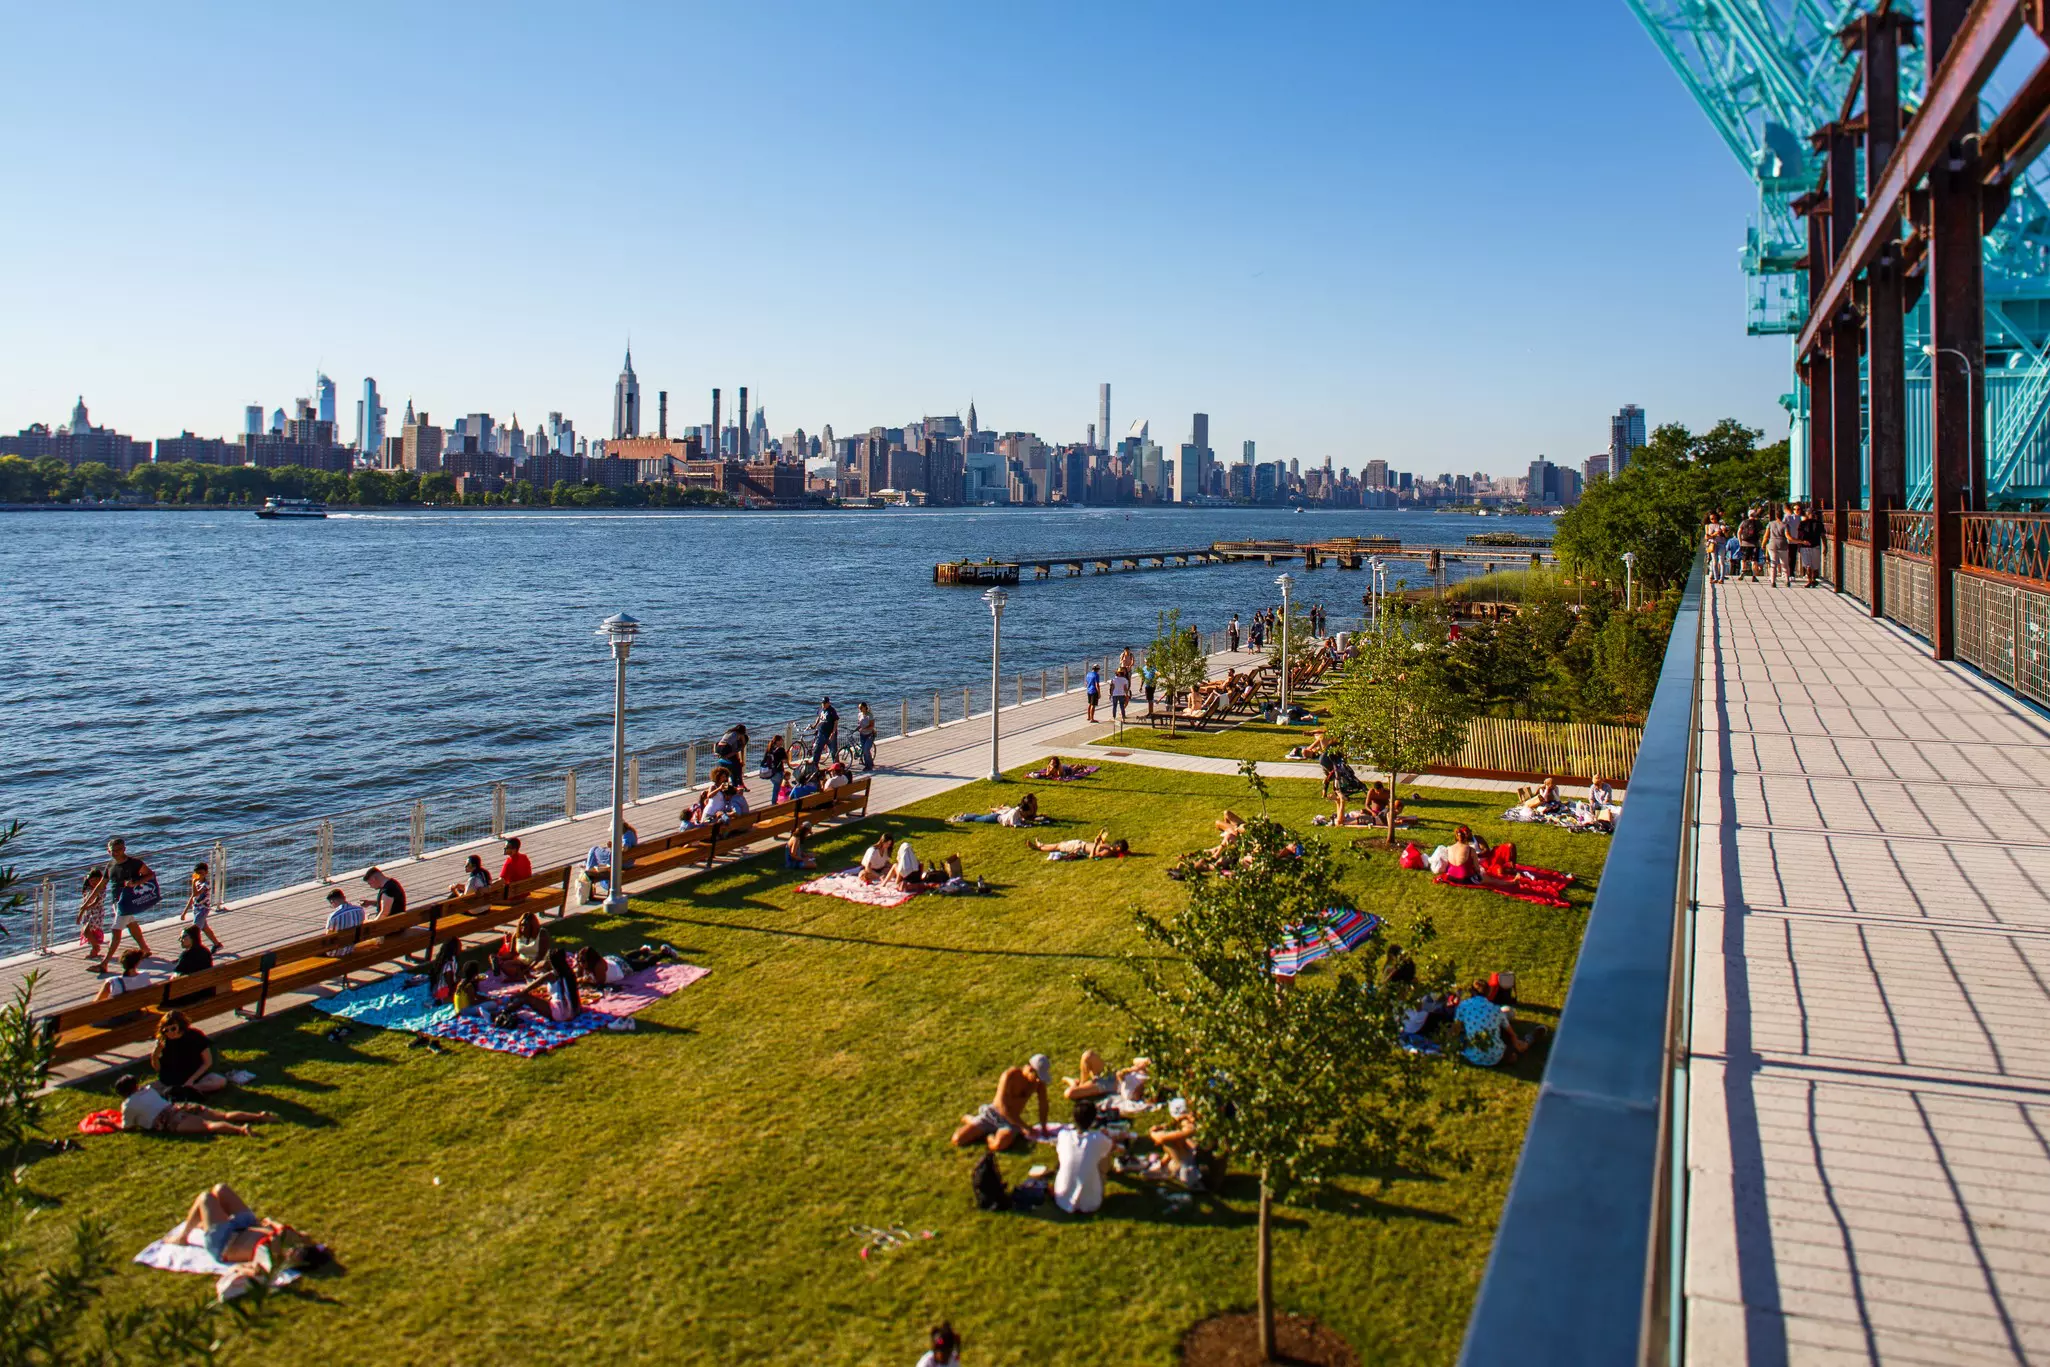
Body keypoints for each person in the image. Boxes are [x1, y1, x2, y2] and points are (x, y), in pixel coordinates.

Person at [951, 1054, 1051, 1152]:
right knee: (957, 1139)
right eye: (1036, 1076)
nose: (1038, 1080)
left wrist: (1044, 1128)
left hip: (1010, 1122)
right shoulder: (1010, 1076)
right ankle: (973, 1121)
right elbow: (1001, 1107)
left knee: (999, 1145)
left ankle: (988, 1136)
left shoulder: (1037, 1084)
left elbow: (1043, 1105)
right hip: (992, 1114)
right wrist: (1024, 1127)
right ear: (1029, 1069)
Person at [116, 1079, 275, 1137]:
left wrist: (107, 1123)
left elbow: (127, 1127)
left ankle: (241, 1130)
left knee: (209, 1126)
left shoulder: (128, 1105)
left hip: (170, 1119)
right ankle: (259, 1116)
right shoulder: (148, 1089)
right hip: (180, 1106)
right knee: (223, 1115)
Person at [1053, 1098, 1119, 1215]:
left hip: (1061, 1198)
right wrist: (1107, 1135)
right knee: (1104, 1153)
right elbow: (1112, 1146)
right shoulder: (1097, 1138)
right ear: (1094, 1120)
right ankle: (1105, 1175)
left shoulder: (1063, 1135)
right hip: (1091, 1202)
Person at [99, 838, 157, 964]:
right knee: (131, 924)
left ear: (124, 849)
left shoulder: (134, 863)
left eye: (118, 850)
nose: (116, 853)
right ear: (108, 851)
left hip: (127, 902)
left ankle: (104, 963)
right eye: (113, 851)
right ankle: (145, 949)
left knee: (116, 930)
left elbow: (150, 874)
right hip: (116, 900)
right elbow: (102, 884)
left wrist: (136, 882)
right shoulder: (110, 865)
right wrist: (87, 904)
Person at [152, 1010, 227, 1098]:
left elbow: (207, 1062)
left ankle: (185, 1090)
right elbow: (158, 1069)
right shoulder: (163, 1041)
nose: (170, 1032)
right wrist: (155, 1055)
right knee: (147, 1091)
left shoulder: (195, 1036)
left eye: (173, 1028)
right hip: (170, 1080)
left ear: (181, 1026)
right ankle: (179, 1092)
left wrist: (190, 1081)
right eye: (166, 1030)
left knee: (219, 1081)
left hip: (195, 1077)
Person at [1147, 1097, 1201, 1186]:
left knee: (1169, 1141)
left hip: (1193, 1165)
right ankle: (1164, 1167)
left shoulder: (1190, 1128)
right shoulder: (1187, 1124)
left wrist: (1152, 1133)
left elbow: (1162, 1138)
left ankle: (1183, 1171)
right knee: (1171, 1141)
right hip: (1190, 1157)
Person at [93, 948, 154, 1019]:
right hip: (137, 1013)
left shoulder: (112, 981)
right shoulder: (145, 976)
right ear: (138, 963)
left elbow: (95, 1005)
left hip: (118, 1018)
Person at [494, 910, 552, 980]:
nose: (523, 928)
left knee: (543, 965)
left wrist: (527, 970)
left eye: (526, 925)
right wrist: (499, 958)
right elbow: (512, 953)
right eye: (522, 925)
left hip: (537, 962)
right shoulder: (516, 935)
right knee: (505, 965)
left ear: (532, 926)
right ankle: (524, 976)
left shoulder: (542, 933)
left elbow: (540, 956)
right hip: (522, 962)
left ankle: (521, 976)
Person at [181, 861, 224, 953]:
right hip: (196, 909)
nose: (199, 875)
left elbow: (196, 893)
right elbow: (193, 897)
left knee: (194, 931)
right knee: (205, 928)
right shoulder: (197, 883)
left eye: (201, 873)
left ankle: (193, 951)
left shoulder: (206, 884)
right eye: (198, 873)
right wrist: (184, 912)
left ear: (206, 873)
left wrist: (193, 883)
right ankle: (217, 944)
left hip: (203, 910)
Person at [169, 927, 216, 1006]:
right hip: (207, 991)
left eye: (183, 937)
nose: (180, 940)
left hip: (191, 996)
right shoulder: (206, 951)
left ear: (192, 938)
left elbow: (174, 978)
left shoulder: (186, 955)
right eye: (180, 937)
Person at [948, 792, 1039, 826]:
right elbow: (1013, 822)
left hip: (1000, 815)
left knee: (980, 817)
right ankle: (960, 818)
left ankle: (965, 815)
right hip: (996, 818)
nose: (1035, 801)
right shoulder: (1019, 810)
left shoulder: (1028, 807)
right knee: (978, 819)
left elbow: (1027, 817)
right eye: (1034, 800)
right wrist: (1025, 823)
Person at [1028, 831, 1128, 860]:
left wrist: (1096, 843)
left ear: (1117, 848)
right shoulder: (1109, 848)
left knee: (1058, 846)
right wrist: (1100, 840)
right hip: (1080, 843)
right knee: (1060, 844)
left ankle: (1039, 847)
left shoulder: (1107, 852)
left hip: (1079, 847)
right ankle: (1041, 845)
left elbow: (1092, 856)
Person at [77, 871, 107, 964]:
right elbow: (85, 902)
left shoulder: (100, 889)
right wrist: (81, 913)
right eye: (92, 880)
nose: (94, 882)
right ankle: (94, 949)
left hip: (96, 913)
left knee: (87, 930)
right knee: (88, 931)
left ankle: (95, 947)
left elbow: (96, 901)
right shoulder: (88, 889)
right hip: (89, 913)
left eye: (97, 880)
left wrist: (85, 907)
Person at [1797, 502, 1824, 587]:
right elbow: (1823, 536)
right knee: (1815, 565)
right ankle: (1813, 579)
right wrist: (1825, 546)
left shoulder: (1802, 523)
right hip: (1815, 545)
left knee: (1808, 565)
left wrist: (1799, 545)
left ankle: (1810, 580)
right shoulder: (1819, 523)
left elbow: (1799, 536)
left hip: (1805, 546)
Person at [1736, 506, 1763, 582]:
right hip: (1755, 544)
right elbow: (1762, 532)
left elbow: (1739, 532)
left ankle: (1742, 572)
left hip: (1745, 543)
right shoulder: (1758, 523)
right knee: (1754, 561)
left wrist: (1740, 541)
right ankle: (1754, 576)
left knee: (1744, 559)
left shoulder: (1744, 522)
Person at [810, 698, 839, 768]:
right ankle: (815, 766)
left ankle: (836, 766)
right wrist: (814, 725)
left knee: (833, 751)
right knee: (817, 750)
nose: (823, 704)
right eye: (822, 703)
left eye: (824, 703)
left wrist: (833, 732)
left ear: (828, 703)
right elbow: (819, 717)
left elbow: (836, 722)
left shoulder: (832, 711)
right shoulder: (820, 709)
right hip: (821, 733)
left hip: (830, 734)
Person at [1765, 504, 1790, 587]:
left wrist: (1763, 544)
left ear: (1776, 516)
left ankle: (1773, 581)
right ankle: (1787, 580)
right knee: (1785, 564)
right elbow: (1787, 536)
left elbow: (1766, 535)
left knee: (1773, 563)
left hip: (1772, 544)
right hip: (1783, 544)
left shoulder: (1770, 524)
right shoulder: (1785, 525)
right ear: (1782, 516)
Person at [855, 702, 878, 772]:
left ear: (865, 707)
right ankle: (870, 763)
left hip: (869, 734)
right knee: (864, 750)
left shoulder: (870, 715)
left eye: (861, 707)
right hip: (862, 735)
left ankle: (868, 766)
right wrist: (856, 729)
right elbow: (859, 724)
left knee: (866, 750)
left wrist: (864, 729)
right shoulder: (859, 715)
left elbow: (872, 725)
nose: (860, 709)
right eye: (859, 708)